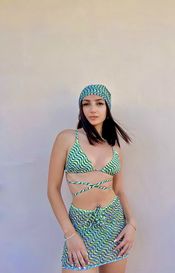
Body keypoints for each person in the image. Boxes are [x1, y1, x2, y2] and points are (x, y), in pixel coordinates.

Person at [47, 84, 137, 273]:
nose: (93, 109)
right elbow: (52, 190)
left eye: (99, 103)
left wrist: (132, 224)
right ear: (81, 109)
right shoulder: (67, 138)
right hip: (80, 225)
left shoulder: (115, 148)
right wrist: (70, 234)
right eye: (86, 104)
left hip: (114, 224)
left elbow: (119, 190)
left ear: (107, 108)